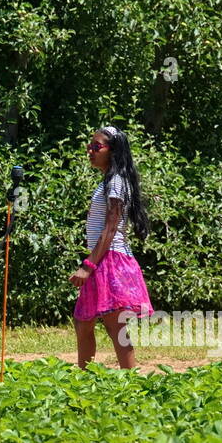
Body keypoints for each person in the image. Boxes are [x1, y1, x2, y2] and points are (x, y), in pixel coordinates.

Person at [70, 125, 154, 368]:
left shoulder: (116, 181)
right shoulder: (109, 180)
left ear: (113, 151)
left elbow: (110, 229)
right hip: (103, 258)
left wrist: (88, 266)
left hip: (110, 259)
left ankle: (131, 381)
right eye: (89, 146)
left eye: (96, 146)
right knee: (83, 322)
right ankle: (85, 381)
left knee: (114, 324)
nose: (90, 150)